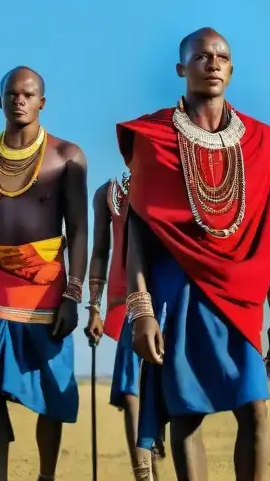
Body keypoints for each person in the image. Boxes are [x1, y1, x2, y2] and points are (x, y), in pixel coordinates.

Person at [118, 27, 270, 481]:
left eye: (222, 56)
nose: (212, 63)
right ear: (182, 69)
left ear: (232, 70)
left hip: (242, 294)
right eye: (201, 56)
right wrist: (141, 313)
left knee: (255, 409)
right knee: (186, 415)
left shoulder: (260, 141)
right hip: (179, 292)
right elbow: (136, 230)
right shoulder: (152, 137)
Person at [0, 66, 88, 481]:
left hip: (48, 287)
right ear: (0, 101)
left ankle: (46, 476)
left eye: (28, 94)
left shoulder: (68, 157)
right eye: (12, 94)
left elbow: (79, 230)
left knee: (52, 389)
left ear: (42, 102)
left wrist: (73, 294)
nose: (20, 100)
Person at [85, 170, 166, 480]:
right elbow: (100, 250)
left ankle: (161, 462)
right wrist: (94, 306)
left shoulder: (171, 179)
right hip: (128, 302)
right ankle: (143, 474)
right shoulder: (109, 193)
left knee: (164, 390)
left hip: (170, 296)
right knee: (131, 389)